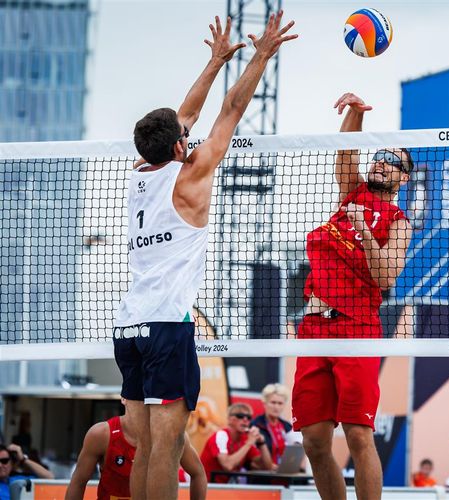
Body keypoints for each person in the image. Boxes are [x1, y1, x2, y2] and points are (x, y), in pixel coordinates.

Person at [111, 12, 296, 500]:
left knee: (146, 445)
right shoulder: (190, 177)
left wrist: (214, 61)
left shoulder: (139, 171)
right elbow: (230, 112)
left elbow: (184, 117)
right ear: (178, 145)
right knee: (166, 451)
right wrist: (261, 55)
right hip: (168, 327)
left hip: (128, 326)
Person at [292, 92, 414, 500]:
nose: (382, 163)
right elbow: (344, 152)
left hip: (358, 328)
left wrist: (363, 231)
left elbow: (385, 278)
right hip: (313, 327)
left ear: (404, 178)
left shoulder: (398, 221)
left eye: (394, 162)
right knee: (313, 441)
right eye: (380, 157)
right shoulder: (353, 193)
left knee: (359, 435)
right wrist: (355, 114)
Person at [65, 402, 206, 500]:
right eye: (138, 397)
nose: (143, 403)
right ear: (124, 399)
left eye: (147, 399)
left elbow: (198, 474)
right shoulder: (102, 434)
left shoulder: (170, 436)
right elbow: (78, 481)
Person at [200, 403, 274, 483]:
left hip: (227, 488)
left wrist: (262, 443)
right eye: (240, 416)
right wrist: (249, 443)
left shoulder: (245, 439)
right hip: (207, 486)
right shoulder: (221, 435)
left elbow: (267, 467)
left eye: (249, 417)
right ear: (230, 419)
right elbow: (228, 466)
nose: (245, 420)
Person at [251, 384, 293, 468]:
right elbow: (252, 458)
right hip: (264, 476)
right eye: (273, 402)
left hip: (285, 474)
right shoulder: (255, 425)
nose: (276, 407)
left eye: (280, 403)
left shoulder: (287, 426)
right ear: (264, 403)